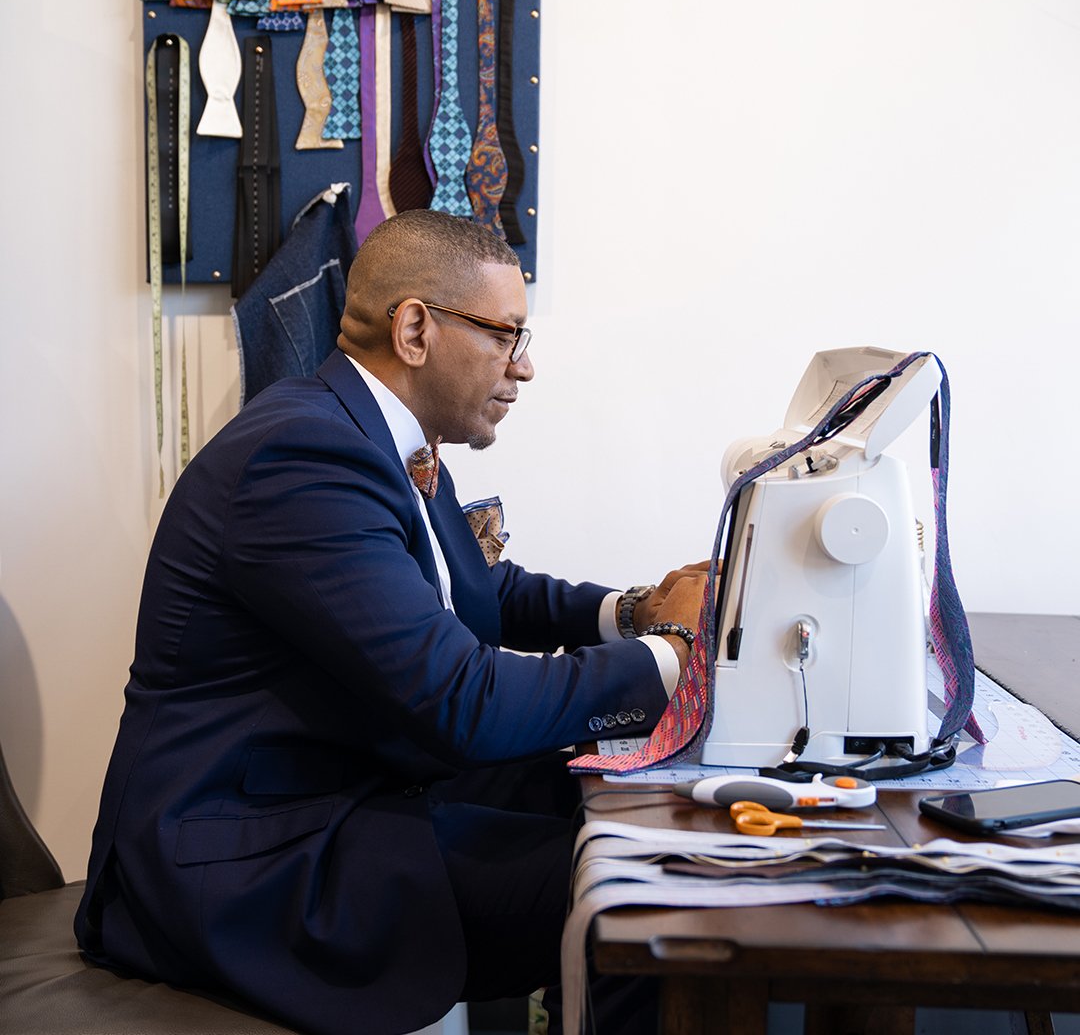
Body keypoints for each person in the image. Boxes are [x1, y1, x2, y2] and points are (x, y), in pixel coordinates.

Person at [76, 210, 707, 1035]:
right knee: (637, 900)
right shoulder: (301, 457)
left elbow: (479, 588)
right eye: (507, 336)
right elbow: (465, 701)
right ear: (416, 329)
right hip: (250, 861)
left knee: (615, 797)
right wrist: (678, 656)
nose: (525, 367)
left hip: (346, 779)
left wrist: (632, 612)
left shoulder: (377, 433)